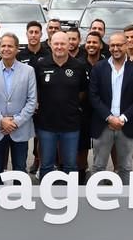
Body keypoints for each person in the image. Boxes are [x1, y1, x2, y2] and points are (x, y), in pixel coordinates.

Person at [89, 32, 133, 185]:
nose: (115, 48)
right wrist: (109, 117)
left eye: (119, 45)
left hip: (127, 125)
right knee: (98, 167)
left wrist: (121, 118)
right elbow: (93, 96)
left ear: (127, 45)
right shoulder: (99, 67)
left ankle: (125, 203)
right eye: (112, 45)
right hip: (103, 124)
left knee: (125, 167)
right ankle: (95, 201)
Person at [0, 33, 37, 184]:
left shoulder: (28, 71)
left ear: (16, 49)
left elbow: (32, 101)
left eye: (10, 46)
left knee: (20, 169)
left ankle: (20, 200)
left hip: (19, 128)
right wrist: (1, 120)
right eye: (3, 45)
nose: (6, 49)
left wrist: (16, 122)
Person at [33, 31, 87, 180]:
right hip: (46, 124)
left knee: (70, 165)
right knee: (46, 165)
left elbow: (83, 91)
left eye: (63, 43)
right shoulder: (41, 65)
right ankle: (45, 196)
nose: (59, 47)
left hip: (70, 124)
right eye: (56, 43)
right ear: (50, 44)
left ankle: (70, 198)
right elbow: (35, 89)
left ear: (69, 45)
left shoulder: (78, 66)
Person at [16, 20, 49, 174]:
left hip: (43, 102)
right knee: (20, 134)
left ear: (41, 34)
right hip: (23, 103)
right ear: (27, 34)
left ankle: (38, 161)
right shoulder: (20, 55)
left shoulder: (48, 54)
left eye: (37, 32)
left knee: (41, 136)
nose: (34, 35)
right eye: (31, 32)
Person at [76, 30, 104, 183]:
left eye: (94, 42)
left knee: (102, 146)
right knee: (82, 145)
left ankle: (100, 175)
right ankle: (81, 173)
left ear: (100, 45)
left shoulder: (107, 63)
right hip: (83, 112)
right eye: (89, 42)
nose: (91, 45)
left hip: (103, 112)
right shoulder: (79, 64)